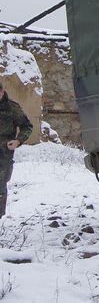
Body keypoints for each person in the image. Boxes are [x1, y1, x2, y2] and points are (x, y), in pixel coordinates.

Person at [0, 82, 33, 218]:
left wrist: (18, 140)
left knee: (1, 183)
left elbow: (27, 126)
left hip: (4, 153)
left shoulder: (12, 108)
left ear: (2, 92)